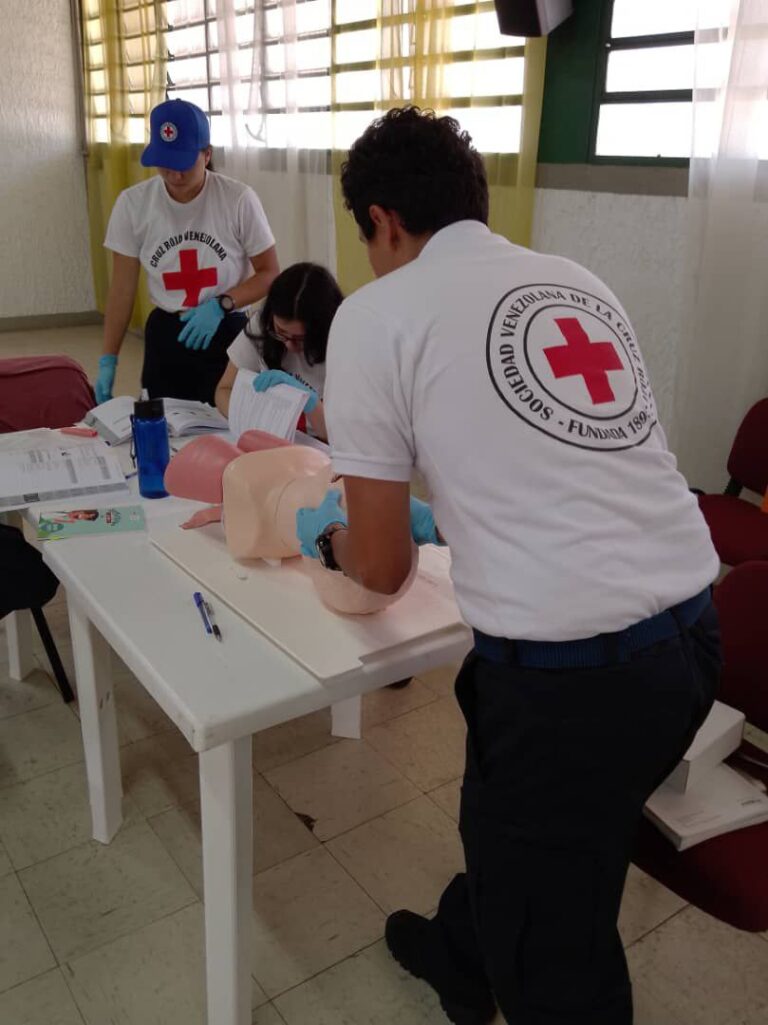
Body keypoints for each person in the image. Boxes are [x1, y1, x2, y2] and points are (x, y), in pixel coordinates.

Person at [295, 107, 721, 1025]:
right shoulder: (573, 278)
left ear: (382, 221)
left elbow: (378, 572)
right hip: (692, 635)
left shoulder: (374, 316)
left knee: (556, 953)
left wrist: (329, 537)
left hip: (572, 684)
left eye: (366, 237)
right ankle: (462, 948)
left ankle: (505, 961)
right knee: (537, 837)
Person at [95, 98, 279, 407]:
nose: (175, 176)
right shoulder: (133, 204)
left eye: (183, 164)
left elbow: (270, 274)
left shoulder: (237, 199)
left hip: (225, 329)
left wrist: (222, 304)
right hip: (167, 332)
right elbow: (122, 288)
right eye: (166, 164)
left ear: (206, 155)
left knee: (229, 424)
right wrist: (108, 358)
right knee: (165, 424)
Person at [215, 262, 342, 441]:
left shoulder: (344, 341)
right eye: (281, 332)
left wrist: (312, 404)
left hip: (321, 447)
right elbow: (224, 389)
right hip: (272, 438)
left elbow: (341, 435)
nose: (289, 346)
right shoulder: (261, 325)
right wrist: (249, 418)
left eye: (300, 339)